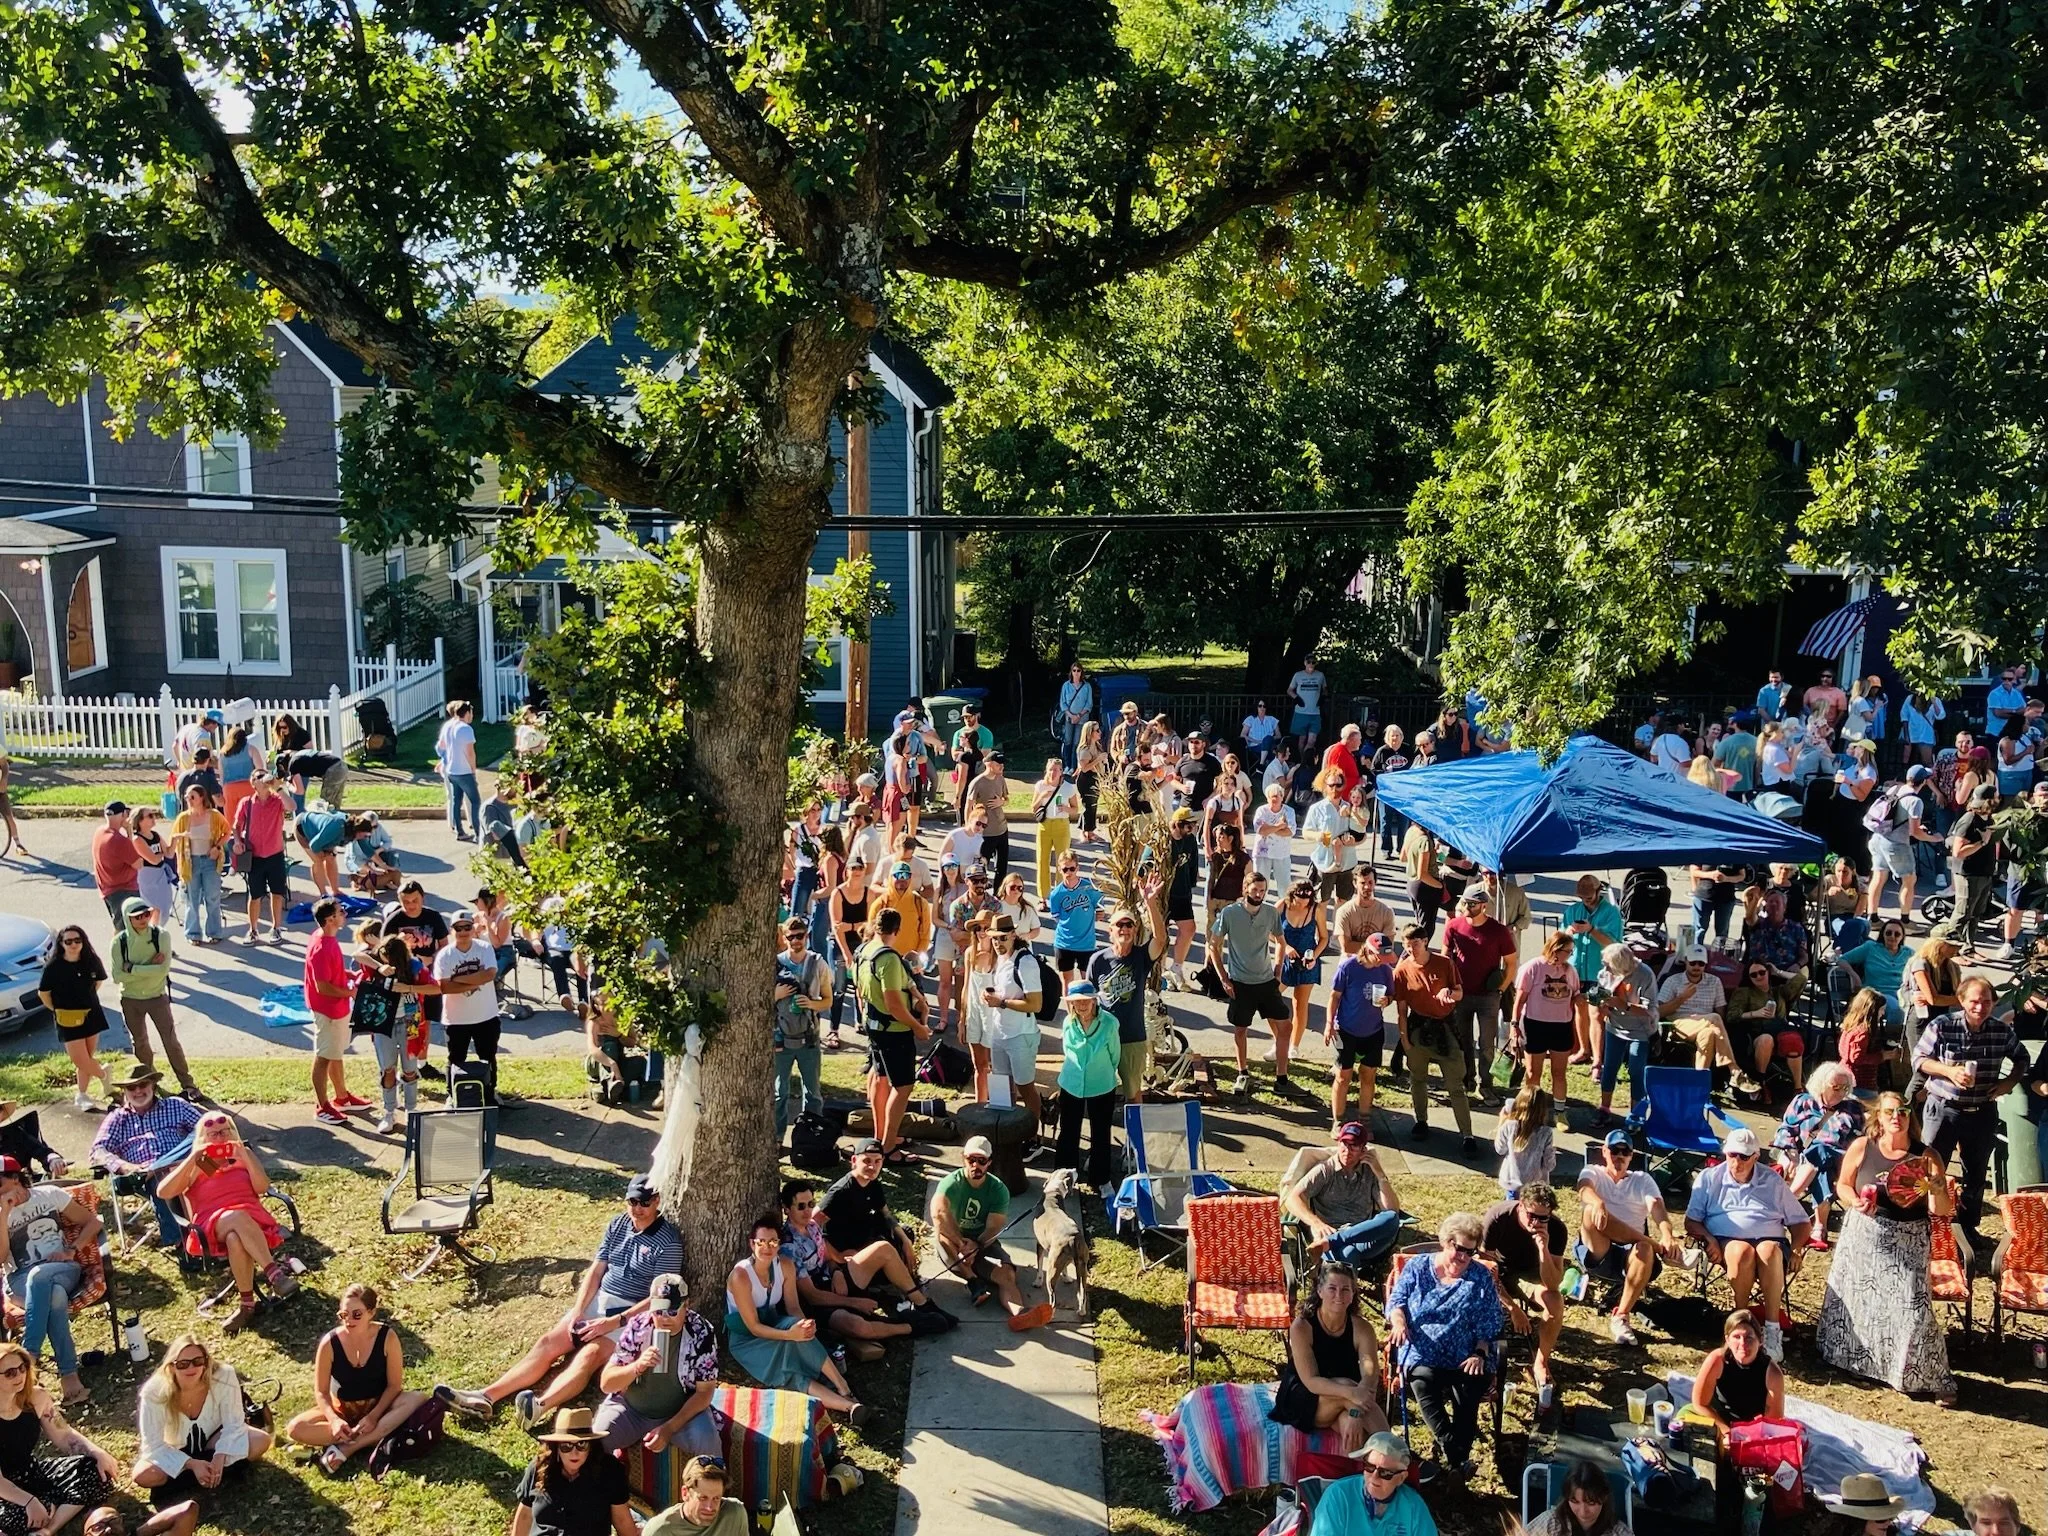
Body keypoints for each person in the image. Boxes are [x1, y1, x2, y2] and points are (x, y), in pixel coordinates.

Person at [435, 1171, 685, 1429]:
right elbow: (597, 1270)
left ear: (657, 1201)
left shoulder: (668, 1242)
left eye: (645, 1202)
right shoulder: (618, 1224)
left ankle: (539, 1407)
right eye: (633, 1201)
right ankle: (486, 1397)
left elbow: (659, 1297)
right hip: (600, 1300)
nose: (638, 1209)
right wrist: (578, 1310)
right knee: (548, 1343)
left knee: (588, 1356)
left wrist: (614, 1322)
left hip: (631, 1315)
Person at [1815, 1092, 1956, 1404]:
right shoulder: (1862, 1146)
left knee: (1912, 1309)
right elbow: (1843, 1184)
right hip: (1864, 1232)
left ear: (1910, 1116)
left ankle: (1927, 1376)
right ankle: (1861, 1364)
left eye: (1903, 1112)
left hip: (1908, 1237)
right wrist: (1855, 1201)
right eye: (1890, 1112)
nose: (1897, 1117)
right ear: (1878, 1116)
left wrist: (1939, 1188)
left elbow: (1941, 1210)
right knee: (1861, 1303)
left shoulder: (1926, 1156)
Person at [1384, 1212, 1503, 1483]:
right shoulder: (1417, 1268)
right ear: (1445, 1242)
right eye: (1459, 1249)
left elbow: (1490, 1322)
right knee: (1422, 1381)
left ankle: (1455, 1461)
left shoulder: (1480, 1276)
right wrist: (1400, 1323)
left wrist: (1479, 1353)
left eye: (1470, 1252)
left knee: (1471, 1384)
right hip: (1422, 1350)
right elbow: (1396, 1302)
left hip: (1465, 1354)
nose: (1463, 1258)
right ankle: (1458, 1458)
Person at [1911, 974, 2029, 1247]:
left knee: (1975, 1174)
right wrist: (1948, 1071)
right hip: (1944, 1108)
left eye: (1986, 1002)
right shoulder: (1942, 1026)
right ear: (1962, 1001)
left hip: (1982, 1111)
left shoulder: (2001, 1031)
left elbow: (2022, 1057)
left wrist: (2007, 1082)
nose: (1980, 1007)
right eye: (1974, 1001)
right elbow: (1919, 1059)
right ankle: (1925, 1225)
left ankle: (1967, 1229)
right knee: (1930, 1167)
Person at [155, 1111, 298, 1333]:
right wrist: (192, 1158)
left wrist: (246, 1156)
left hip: (252, 1222)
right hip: (211, 1224)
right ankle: (274, 1274)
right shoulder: (201, 1163)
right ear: (202, 1137)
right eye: (213, 1134)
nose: (220, 1138)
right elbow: (164, 1192)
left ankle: (247, 1305)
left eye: (225, 1132)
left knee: (235, 1238)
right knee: (236, 1216)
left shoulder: (242, 1156)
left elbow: (261, 1188)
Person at [1684, 1127, 1810, 1359]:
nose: (1737, 1161)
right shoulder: (1710, 1178)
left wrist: (1797, 1248)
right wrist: (1709, 1238)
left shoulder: (1772, 1180)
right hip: (1727, 1242)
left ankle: (1772, 1330)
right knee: (1741, 1251)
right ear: (1725, 1153)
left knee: (1769, 1250)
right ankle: (1741, 1325)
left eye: (1744, 1156)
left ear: (1755, 1157)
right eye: (1733, 1155)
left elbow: (1801, 1222)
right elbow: (1691, 1221)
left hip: (1770, 1241)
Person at [285, 1282, 434, 1475]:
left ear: (371, 1313)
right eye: (344, 1315)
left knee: (418, 1399)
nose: (349, 1320)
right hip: (343, 1410)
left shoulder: (387, 1337)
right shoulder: (330, 1343)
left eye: (357, 1314)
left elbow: (394, 1385)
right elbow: (321, 1391)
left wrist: (373, 1416)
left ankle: (348, 1448)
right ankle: (370, 1437)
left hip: (379, 1408)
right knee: (295, 1428)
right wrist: (334, 1420)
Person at [726, 1215, 864, 1417]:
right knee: (789, 1373)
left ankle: (843, 1387)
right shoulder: (741, 1275)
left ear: (779, 1244)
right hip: (747, 1338)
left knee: (798, 1326)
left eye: (773, 1242)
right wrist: (791, 1335)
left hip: (774, 1323)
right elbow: (754, 1327)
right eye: (761, 1242)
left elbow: (793, 1307)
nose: (767, 1248)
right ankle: (849, 1407)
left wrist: (804, 1326)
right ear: (751, 1244)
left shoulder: (785, 1266)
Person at [586, 1271, 722, 1458]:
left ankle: (713, 1486)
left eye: (673, 1311)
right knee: (594, 1444)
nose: (665, 1318)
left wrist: (668, 1428)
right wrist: (637, 1366)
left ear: (687, 1305)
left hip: (680, 1414)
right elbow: (607, 1384)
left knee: (708, 1443)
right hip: (631, 1410)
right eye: (658, 1311)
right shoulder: (638, 1327)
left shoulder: (701, 1332)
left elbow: (704, 1392)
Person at [815, 1141, 950, 1326]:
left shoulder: (872, 1184)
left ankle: (899, 1288)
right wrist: (836, 1258)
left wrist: (905, 1242)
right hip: (850, 1260)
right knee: (885, 1249)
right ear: (854, 1160)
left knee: (906, 1233)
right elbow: (810, 1226)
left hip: (866, 1244)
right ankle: (920, 1302)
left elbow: (886, 1215)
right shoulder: (840, 1192)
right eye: (867, 1161)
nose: (872, 1166)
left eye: (877, 1161)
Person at [0, 1161, 99, 1405]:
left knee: (41, 1277)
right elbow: (1, 1259)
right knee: (53, 1296)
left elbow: (94, 1222)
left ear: (15, 1178)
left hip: (63, 1269)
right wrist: (3, 1214)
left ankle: (28, 1356)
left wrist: (72, 1250)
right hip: (20, 1280)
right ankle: (70, 1378)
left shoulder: (48, 1195)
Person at [778, 1180, 912, 1361]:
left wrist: (837, 1272)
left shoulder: (812, 1226)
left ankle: (919, 1301)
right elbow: (812, 1296)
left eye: (811, 1204)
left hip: (833, 1283)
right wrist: (854, 1302)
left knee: (883, 1248)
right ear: (786, 1209)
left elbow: (826, 1257)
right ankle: (909, 1326)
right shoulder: (788, 1246)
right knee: (858, 1327)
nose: (808, 1211)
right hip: (819, 1303)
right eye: (801, 1206)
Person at [929, 1140, 1054, 1330]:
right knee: (942, 1233)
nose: (975, 1165)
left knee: (1007, 1274)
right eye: (971, 1160)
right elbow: (938, 1215)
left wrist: (976, 1246)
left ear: (989, 1162)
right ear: (963, 1158)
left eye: (981, 1160)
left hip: (981, 1243)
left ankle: (1020, 1313)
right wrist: (961, 1244)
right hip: (953, 1245)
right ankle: (973, 1282)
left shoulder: (998, 1189)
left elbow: (994, 1228)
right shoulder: (950, 1183)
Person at [1575, 1131, 1680, 1344]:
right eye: (1614, 1150)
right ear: (1604, 1152)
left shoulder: (1642, 1180)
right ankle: (1655, 1246)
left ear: (1631, 1156)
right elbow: (1583, 1188)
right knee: (1590, 1213)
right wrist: (1598, 1203)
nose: (1619, 1156)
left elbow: (1657, 1207)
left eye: (1625, 1152)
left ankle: (1621, 1315)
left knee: (1644, 1248)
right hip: (1599, 1250)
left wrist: (1667, 1234)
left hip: (1631, 1254)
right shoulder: (1593, 1172)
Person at [0, 1340, 115, 1533]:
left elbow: (63, 1434)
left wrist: (96, 1452)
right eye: (10, 1372)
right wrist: (29, 1501)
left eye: (22, 1368)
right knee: (19, 1516)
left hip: (33, 1472)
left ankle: (48, 1529)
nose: (19, 1375)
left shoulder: (36, 1397)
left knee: (97, 1472)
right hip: (5, 1489)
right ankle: (47, 1510)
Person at [1269, 1261, 1386, 1452]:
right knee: (1347, 1385)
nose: (1338, 1295)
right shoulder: (1302, 1327)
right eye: (1332, 1288)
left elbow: (1370, 1375)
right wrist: (1352, 1393)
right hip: (1305, 1397)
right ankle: (1400, 1458)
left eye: (1345, 1289)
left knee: (1351, 1425)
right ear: (1320, 1291)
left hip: (1349, 1397)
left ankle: (1365, 1474)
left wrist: (1355, 1412)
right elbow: (1312, 1381)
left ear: (1353, 1294)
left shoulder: (1362, 1328)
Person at [90, 1063, 204, 1257]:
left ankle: (236, 1222)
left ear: (153, 1085)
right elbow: (98, 1151)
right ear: (125, 1092)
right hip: (145, 1174)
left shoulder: (175, 1105)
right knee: (161, 1177)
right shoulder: (118, 1118)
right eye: (131, 1088)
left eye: (143, 1085)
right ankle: (184, 1244)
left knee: (212, 1156)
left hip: (187, 1163)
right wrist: (125, 1166)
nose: (138, 1091)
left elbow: (205, 1127)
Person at [853, 907, 932, 1162]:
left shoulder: (863, 951)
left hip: (874, 1027)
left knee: (880, 1078)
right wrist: (918, 1027)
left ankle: (881, 1136)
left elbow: (861, 990)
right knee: (903, 1086)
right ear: (897, 930)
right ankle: (887, 1148)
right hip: (894, 1031)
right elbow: (894, 1004)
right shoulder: (888, 958)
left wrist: (916, 995)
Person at [1480, 1184, 1566, 1409]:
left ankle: (1541, 1362)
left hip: (1531, 1277)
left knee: (1555, 1302)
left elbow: (1553, 1283)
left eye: (1543, 1218)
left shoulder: (1556, 1229)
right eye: (1531, 1215)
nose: (1536, 1222)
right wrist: (1512, 1308)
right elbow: (1484, 1271)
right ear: (1520, 1206)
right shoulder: (1498, 1218)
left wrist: (1543, 1249)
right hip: (1500, 1272)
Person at [1211, 870, 1295, 1098]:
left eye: (1263, 890)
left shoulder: (1270, 913)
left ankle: (1282, 1078)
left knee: (1285, 1026)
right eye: (1255, 889)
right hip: (1240, 982)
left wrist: (1278, 968)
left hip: (1266, 980)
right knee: (1240, 1029)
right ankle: (1242, 1071)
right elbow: (1213, 945)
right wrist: (1223, 978)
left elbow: (1280, 941)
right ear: (1245, 889)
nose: (1259, 894)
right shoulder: (1229, 913)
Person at [1086, 877, 1168, 1107]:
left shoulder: (1141, 957)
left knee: (1133, 1093)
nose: (1124, 929)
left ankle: (1135, 1138)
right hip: (1103, 1038)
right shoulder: (1098, 960)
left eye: (1129, 925)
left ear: (1135, 930)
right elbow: (1087, 1000)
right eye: (1119, 925)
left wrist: (1150, 903)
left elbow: (1160, 940)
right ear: (1110, 930)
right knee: (1100, 1092)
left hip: (1132, 1038)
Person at [1393, 925, 1473, 1154]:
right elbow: (1401, 1010)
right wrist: (1405, 1040)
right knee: (1418, 1079)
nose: (1411, 949)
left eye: (1415, 944)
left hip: (1445, 1029)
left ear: (1425, 941)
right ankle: (1421, 1121)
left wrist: (1450, 995)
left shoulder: (1444, 963)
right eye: (1407, 945)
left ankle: (1467, 1135)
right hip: (1418, 1028)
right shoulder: (1402, 969)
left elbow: (1459, 992)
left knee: (1455, 1085)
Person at [1285, 1120, 1403, 1269]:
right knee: (1348, 1253)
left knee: (1392, 1218)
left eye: (1354, 1146)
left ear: (1363, 1149)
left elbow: (1391, 1209)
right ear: (1338, 1144)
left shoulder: (1369, 1171)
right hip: (1331, 1230)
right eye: (1344, 1144)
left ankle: (1332, 1242)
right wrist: (1315, 1223)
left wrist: (1379, 1173)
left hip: (1364, 1235)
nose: (1347, 1151)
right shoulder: (1325, 1169)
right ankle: (1348, 1287)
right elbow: (1292, 1199)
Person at [1773, 1062, 1865, 1246]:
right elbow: (1786, 1129)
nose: (1841, 1092)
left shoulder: (1852, 1108)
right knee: (1821, 1171)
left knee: (1822, 1149)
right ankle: (1819, 1228)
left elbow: (1860, 1138)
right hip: (1801, 1159)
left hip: (1837, 1157)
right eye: (1836, 1087)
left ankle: (1788, 1200)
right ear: (1821, 1084)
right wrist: (1790, 1150)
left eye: (1845, 1088)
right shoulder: (1803, 1101)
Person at [351, 927, 432, 1135]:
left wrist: (409, 989)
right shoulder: (377, 966)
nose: (386, 963)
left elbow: (435, 988)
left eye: (388, 960)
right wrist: (379, 967)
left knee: (410, 1070)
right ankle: (389, 1112)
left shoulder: (414, 968)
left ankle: (412, 1110)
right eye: (382, 958)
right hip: (382, 1024)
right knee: (387, 1069)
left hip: (409, 1023)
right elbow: (357, 954)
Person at [510, 1408, 635, 1536]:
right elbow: (524, 1515)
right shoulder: (539, 1467)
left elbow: (621, 1519)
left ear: (591, 1445)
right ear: (556, 1447)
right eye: (566, 1446)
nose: (574, 1453)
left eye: (582, 1444)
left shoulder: (609, 1470)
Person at [1443, 890, 1515, 1106]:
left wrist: (1500, 989)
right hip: (1461, 994)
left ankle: (1486, 1085)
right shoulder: (1454, 926)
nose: (1467, 907)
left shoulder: (1498, 931)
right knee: (1462, 1040)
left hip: (1488, 997)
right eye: (1465, 902)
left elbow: (1511, 963)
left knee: (1486, 1043)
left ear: (1484, 905)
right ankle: (1467, 1081)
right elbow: (1445, 957)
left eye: (1472, 904)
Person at [1657, 946, 1757, 1090]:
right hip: (1679, 1022)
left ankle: (1697, 1086)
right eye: (1693, 963)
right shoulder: (1673, 981)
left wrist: (1714, 1028)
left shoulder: (1714, 982)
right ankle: (1734, 1070)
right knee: (1715, 1018)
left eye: (1701, 963)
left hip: (1707, 1023)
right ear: (1686, 961)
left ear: (1705, 964)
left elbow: (1721, 1012)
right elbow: (1659, 1012)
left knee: (1709, 1034)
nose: (1697, 967)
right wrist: (1682, 998)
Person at [36, 925, 113, 1113]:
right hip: (67, 1018)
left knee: (87, 1057)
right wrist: (56, 1009)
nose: (73, 945)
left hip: (91, 1013)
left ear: (83, 941)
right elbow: (43, 993)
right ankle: (105, 1076)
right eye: (68, 941)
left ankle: (82, 1094)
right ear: (61, 944)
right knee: (80, 1060)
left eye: (77, 940)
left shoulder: (91, 960)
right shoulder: (54, 967)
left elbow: (98, 982)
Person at [1325, 933, 1396, 1128]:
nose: (1382, 961)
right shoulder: (1348, 967)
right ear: (1368, 950)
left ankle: (1364, 1119)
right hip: (1345, 1030)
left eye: (1384, 957)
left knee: (1368, 1075)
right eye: (1379, 956)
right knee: (1343, 1075)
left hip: (1373, 1031)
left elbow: (1391, 994)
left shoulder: (1386, 971)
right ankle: (1338, 1120)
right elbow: (1334, 996)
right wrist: (1329, 1023)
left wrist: (1387, 1000)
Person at [302, 899, 362, 1125]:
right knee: (324, 1056)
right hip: (327, 1010)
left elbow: (332, 971)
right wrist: (351, 993)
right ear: (330, 920)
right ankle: (322, 1106)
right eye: (340, 912)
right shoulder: (322, 946)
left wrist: (348, 975)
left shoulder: (324, 937)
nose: (344, 914)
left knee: (335, 1052)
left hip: (336, 1009)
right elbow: (323, 986)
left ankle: (342, 1097)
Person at [1307, 1431, 1436, 1536]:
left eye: (1385, 1473)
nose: (1374, 1476)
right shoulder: (1338, 1496)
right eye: (1369, 1467)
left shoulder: (1413, 1506)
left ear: (1401, 1478)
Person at [1055, 981, 1120, 1189]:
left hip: (1101, 1084)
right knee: (1068, 1131)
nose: (1081, 1005)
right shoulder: (1068, 1022)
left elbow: (1115, 1055)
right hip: (1071, 1083)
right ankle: (1064, 1178)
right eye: (1076, 1001)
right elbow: (1067, 1049)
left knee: (1101, 1133)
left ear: (1094, 1000)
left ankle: (1100, 1180)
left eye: (1085, 1000)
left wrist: (1101, 1071)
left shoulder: (1109, 1023)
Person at [434, 909, 502, 1102]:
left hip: (486, 1016)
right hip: (456, 1019)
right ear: (451, 930)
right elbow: (444, 986)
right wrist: (476, 981)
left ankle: (490, 1091)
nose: (463, 931)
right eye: (458, 927)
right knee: (456, 1058)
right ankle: (452, 1094)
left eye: (467, 927)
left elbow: (489, 974)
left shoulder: (484, 948)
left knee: (488, 1056)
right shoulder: (445, 955)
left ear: (473, 928)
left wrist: (459, 979)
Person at [1690, 1309, 1785, 1441]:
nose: (1743, 1344)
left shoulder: (1772, 1374)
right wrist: (1726, 1432)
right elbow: (1700, 1403)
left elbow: (1772, 1423)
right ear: (1727, 1339)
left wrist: (1746, 1438)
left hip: (1752, 1432)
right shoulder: (1717, 1360)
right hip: (1717, 1421)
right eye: (1736, 1337)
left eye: (1749, 1338)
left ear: (1760, 1340)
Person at [773, 917, 828, 1143]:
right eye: (791, 937)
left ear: (807, 936)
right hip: (780, 1039)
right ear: (784, 938)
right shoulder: (775, 963)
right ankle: (776, 1137)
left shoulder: (818, 963)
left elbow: (828, 1000)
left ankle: (811, 1138)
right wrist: (774, 996)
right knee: (779, 1093)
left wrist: (811, 1004)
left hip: (809, 1038)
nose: (796, 941)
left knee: (813, 1093)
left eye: (800, 936)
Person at [1592, 943, 1658, 1126]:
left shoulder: (1645, 974)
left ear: (1622, 965)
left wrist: (1624, 1005)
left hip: (1641, 1030)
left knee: (1636, 1071)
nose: (1605, 968)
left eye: (1609, 965)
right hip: (1614, 1027)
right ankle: (1604, 1109)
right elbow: (1599, 993)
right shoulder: (1605, 972)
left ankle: (1636, 1116)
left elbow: (1650, 1009)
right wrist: (1600, 1003)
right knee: (1610, 1068)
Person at [1559, 876, 1621, 1068]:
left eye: (1589, 895)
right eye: (1582, 896)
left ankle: (1598, 1061)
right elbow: (1559, 939)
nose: (1586, 899)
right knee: (1580, 1009)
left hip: (1600, 972)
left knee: (1596, 1014)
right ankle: (1584, 1050)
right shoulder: (1572, 911)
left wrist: (1591, 930)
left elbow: (1614, 944)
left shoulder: (1611, 913)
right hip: (1577, 970)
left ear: (1598, 891)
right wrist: (1567, 933)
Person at [1512, 932, 1580, 1107]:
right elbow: (1520, 1000)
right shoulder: (1533, 967)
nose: (1570, 955)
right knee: (1533, 1072)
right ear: (1556, 949)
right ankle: (1531, 1110)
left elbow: (1575, 996)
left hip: (1561, 1027)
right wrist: (1514, 1025)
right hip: (1535, 1025)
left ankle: (1559, 1111)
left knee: (1559, 1073)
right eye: (1568, 951)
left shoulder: (1570, 970)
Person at [231, 772, 291, 945]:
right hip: (255, 856)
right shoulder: (247, 803)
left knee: (277, 893)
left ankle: (276, 928)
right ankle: (253, 929)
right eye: (259, 777)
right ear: (253, 783)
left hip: (275, 854)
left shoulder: (277, 800)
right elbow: (236, 826)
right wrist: (237, 841)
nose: (263, 779)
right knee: (255, 894)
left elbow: (292, 806)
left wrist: (277, 787)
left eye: (265, 775)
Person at [165, 786, 228, 945]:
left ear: (201, 798)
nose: (189, 800)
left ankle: (214, 932)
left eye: (192, 797)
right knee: (192, 900)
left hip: (210, 861)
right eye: (186, 797)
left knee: (212, 897)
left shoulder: (213, 815)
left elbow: (227, 832)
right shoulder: (183, 818)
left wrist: (217, 847)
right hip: (190, 862)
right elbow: (173, 837)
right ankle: (193, 934)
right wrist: (180, 837)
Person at [1948, 783, 2003, 952]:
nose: (1998, 799)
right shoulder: (1969, 819)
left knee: (1975, 913)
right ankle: (1947, 946)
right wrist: (1982, 842)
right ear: (1988, 800)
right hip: (1968, 874)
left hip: (1984, 872)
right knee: (1963, 913)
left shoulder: (1990, 818)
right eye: (1995, 797)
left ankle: (1968, 947)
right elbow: (1958, 851)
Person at [1278, 878, 1328, 1056]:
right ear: (1292, 896)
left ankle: (1294, 1045)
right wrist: (1286, 947)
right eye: (1299, 901)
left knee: (1300, 1004)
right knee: (1271, 998)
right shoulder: (1282, 906)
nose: (1303, 904)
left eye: (1307, 900)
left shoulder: (1316, 910)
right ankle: (1279, 1039)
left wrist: (1314, 956)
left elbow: (1324, 938)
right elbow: (1268, 931)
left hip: (1307, 961)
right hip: (1285, 960)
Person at [641, 1455, 750, 1536]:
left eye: (716, 1498)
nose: (710, 1507)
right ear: (685, 1493)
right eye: (703, 1498)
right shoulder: (658, 1531)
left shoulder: (735, 1514)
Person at [1527, 1459, 1633, 1536]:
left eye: (1591, 1503)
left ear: (1604, 1497)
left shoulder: (1619, 1532)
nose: (1583, 1512)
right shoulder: (1550, 1523)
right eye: (1575, 1501)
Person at [1045, 852, 1103, 983]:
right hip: (1064, 944)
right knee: (1067, 982)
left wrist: (1099, 912)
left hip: (1086, 944)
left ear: (1078, 868)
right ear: (1059, 869)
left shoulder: (1088, 887)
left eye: (1072, 868)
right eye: (1065, 869)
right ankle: (1070, 1004)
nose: (1069, 872)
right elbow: (1057, 917)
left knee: (1088, 982)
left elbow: (1099, 902)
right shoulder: (1056, 894)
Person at [1492, 1084, 1555, 1197]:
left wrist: (1502, 1121)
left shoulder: (1509, 1126)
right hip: (1535, 1187)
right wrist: (1552, 1151)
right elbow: (1549, 1165)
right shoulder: (1546, 1132)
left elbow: (1500, 1149)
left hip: (1512, 1183)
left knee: (1513, 1212)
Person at [963, 748, 1012, 887]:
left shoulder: (1001, 779)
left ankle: (998, 895)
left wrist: (1002, 802)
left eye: (1003, 764)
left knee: (1002, 867)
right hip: (985, 832)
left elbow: (1007, 799)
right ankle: (981, 892)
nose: (1002, 767)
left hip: (1002, 829)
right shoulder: (978, 782)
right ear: (989, 764)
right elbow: (969, 805)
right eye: (998, 764)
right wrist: (968, 828)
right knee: (982, 866)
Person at [89, 800, 141, 929]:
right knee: (130, 930)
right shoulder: (119, 841)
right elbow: (138, 863)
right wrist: (129, 830)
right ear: (123, 815)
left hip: (106, 889)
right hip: (124, 891)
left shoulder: (99, 832)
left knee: (118, 927)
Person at [435, 701, 481, 840]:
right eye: (471, 713)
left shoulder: (448, 726)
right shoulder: (465, 729)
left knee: (456, 800)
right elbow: (470, 752)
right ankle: (479, 833)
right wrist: (473, 770)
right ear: (467, 713)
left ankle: (459, 831)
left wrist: (444, 759)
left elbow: (441, 746)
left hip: (451, 770)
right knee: (475, 801)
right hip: (464, 770)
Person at [128, 806, 178, 920]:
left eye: (154, 815)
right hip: (147, 875)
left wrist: (175, 840)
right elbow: (153, 859)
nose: (153, 818)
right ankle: (153, 932)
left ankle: (159, 932)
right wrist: (162, 854)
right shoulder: (137, 839)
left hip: (160, 873)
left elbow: (169, 853)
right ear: (140, 821)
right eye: (150, 816)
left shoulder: (155, 835)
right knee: (153, 907)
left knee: (165, 905)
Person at [342, 812, 402, 894]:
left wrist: (380, 854)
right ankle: (358, 882)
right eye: (370, 827)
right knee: (365, 871)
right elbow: (357, 859)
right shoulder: (356, 838)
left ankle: (386, 880)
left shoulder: (378, 828)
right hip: (357, 861)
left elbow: (388, 842)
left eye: (375, 826)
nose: (372, 831)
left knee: (392, 854)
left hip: (372, 857)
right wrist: (372, 870)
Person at [1288, 655, 1328, 746]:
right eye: (1308, 662)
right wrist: (1296, 698)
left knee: (1312, 741)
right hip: (1301, 712)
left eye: (1313, 662)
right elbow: (1289, 690)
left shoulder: (1320, 675)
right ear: (1305, 663)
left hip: (1315, 713)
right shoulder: (1298, 675)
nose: (1311, 664)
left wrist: (1323, 697)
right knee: (1302, 739)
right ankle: (1303, 759)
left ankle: (1308, 759)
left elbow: (1325, 688)